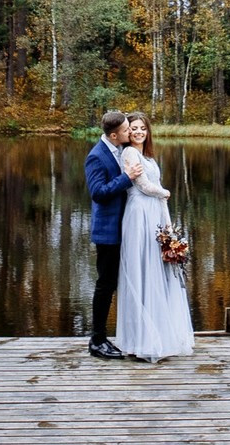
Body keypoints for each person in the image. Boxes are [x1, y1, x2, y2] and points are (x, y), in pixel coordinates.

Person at [114, 114, 196, 362]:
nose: (138, 132)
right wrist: (166, 192)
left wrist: (168, 227)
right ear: (128, 132)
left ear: (148, 132)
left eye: (142, 128)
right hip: (139, 214)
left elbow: (155, 191)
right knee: (143, 270)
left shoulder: (147, 156)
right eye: (134, 128)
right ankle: (140, 339)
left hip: (155, 215)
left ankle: (159, 335)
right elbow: (143, 186)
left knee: (158, 271)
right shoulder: (129, 154)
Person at [85, 108, 144, 359]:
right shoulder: (96, 156)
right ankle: (97, 341)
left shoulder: (117, 149)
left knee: (115, 283)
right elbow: (98, 192)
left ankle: (116, 336)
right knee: (105, 284)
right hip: (107, 231)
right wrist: (127, 177)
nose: (129, 132)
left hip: (123, 228)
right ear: (112, 135)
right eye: (124, 130)